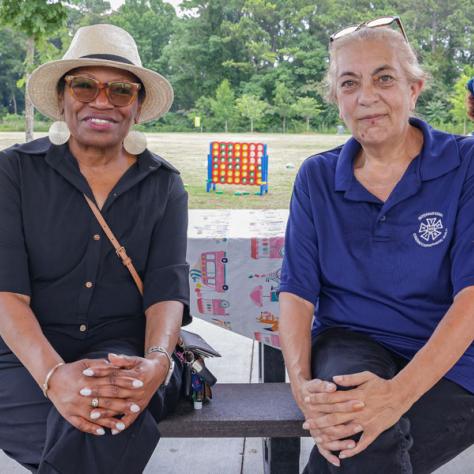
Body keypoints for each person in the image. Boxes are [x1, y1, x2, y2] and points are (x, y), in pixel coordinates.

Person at [279, 16, 474, 474]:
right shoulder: (317, 177)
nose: (367, 97)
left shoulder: (465, 163)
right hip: (353, 340)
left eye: (384, 78)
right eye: (349, 83)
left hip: (455, 355)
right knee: (351, 425)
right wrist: (301, 387)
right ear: (337, 100)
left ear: (414, 88)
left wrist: (395, 396)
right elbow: (297, 292)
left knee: (354, 443)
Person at [0, 24, 190, 473]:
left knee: (104, 415)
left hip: (118, 353)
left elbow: (166, 290)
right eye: (84, 85)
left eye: (120, 91)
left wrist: (156, 367)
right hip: (20, 354)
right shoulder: (14, 172)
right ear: (64, 98)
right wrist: (53, 376)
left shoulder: (164, 185)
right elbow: (6, 293)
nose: (100, 101)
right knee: (108, 428)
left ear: (137, 107)